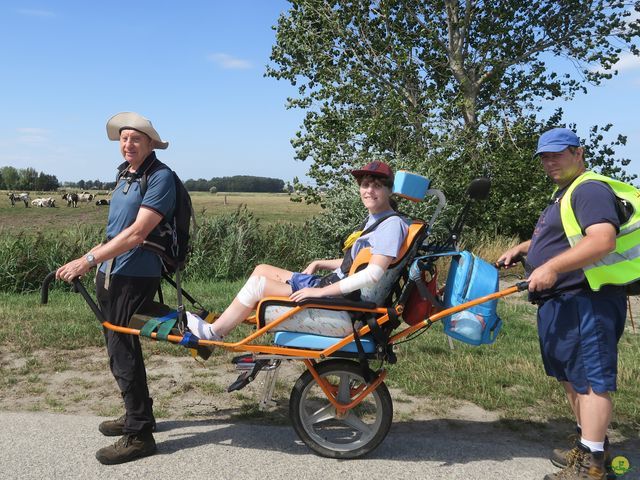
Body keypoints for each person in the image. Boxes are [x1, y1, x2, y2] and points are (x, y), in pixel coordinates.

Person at [497, 128, 632, 480]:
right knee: (571, 378)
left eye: (557, 154)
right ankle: (588, 443)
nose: (549, 161)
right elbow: (561, 237)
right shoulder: (566, 193)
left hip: (587, 299)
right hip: (564, 301)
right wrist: (525, 248)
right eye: (544, 157)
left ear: (579, 152)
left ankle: (593, 467)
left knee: (590, 381)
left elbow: (601, 240)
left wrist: (552, 267)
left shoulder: (589, 189)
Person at [56, 112, 176, 465]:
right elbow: (117, 229)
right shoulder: (126, 175)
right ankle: (138, 413)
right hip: (112, 272)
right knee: (118, 345)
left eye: (136, 139)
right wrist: (97, 263)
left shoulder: (160, 177)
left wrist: (87, 259)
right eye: (124, 138)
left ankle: (139, 434)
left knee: (122, 346)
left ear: (151, 143)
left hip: (135, 273)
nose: (128, 144)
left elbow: (138, 234)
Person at [187, 160, 410, 341]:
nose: (369, 190)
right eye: (365, 184)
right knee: (262, 269)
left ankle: (213, 334)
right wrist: (319, 262)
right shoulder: (377, 219)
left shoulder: (390, 225)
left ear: (389, 191)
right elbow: (355, 262)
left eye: (377, 186)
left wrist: (319, 292)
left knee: (258, 285)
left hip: (342, 299)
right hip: (336, 285)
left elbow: (373, 274)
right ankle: (228, 320)